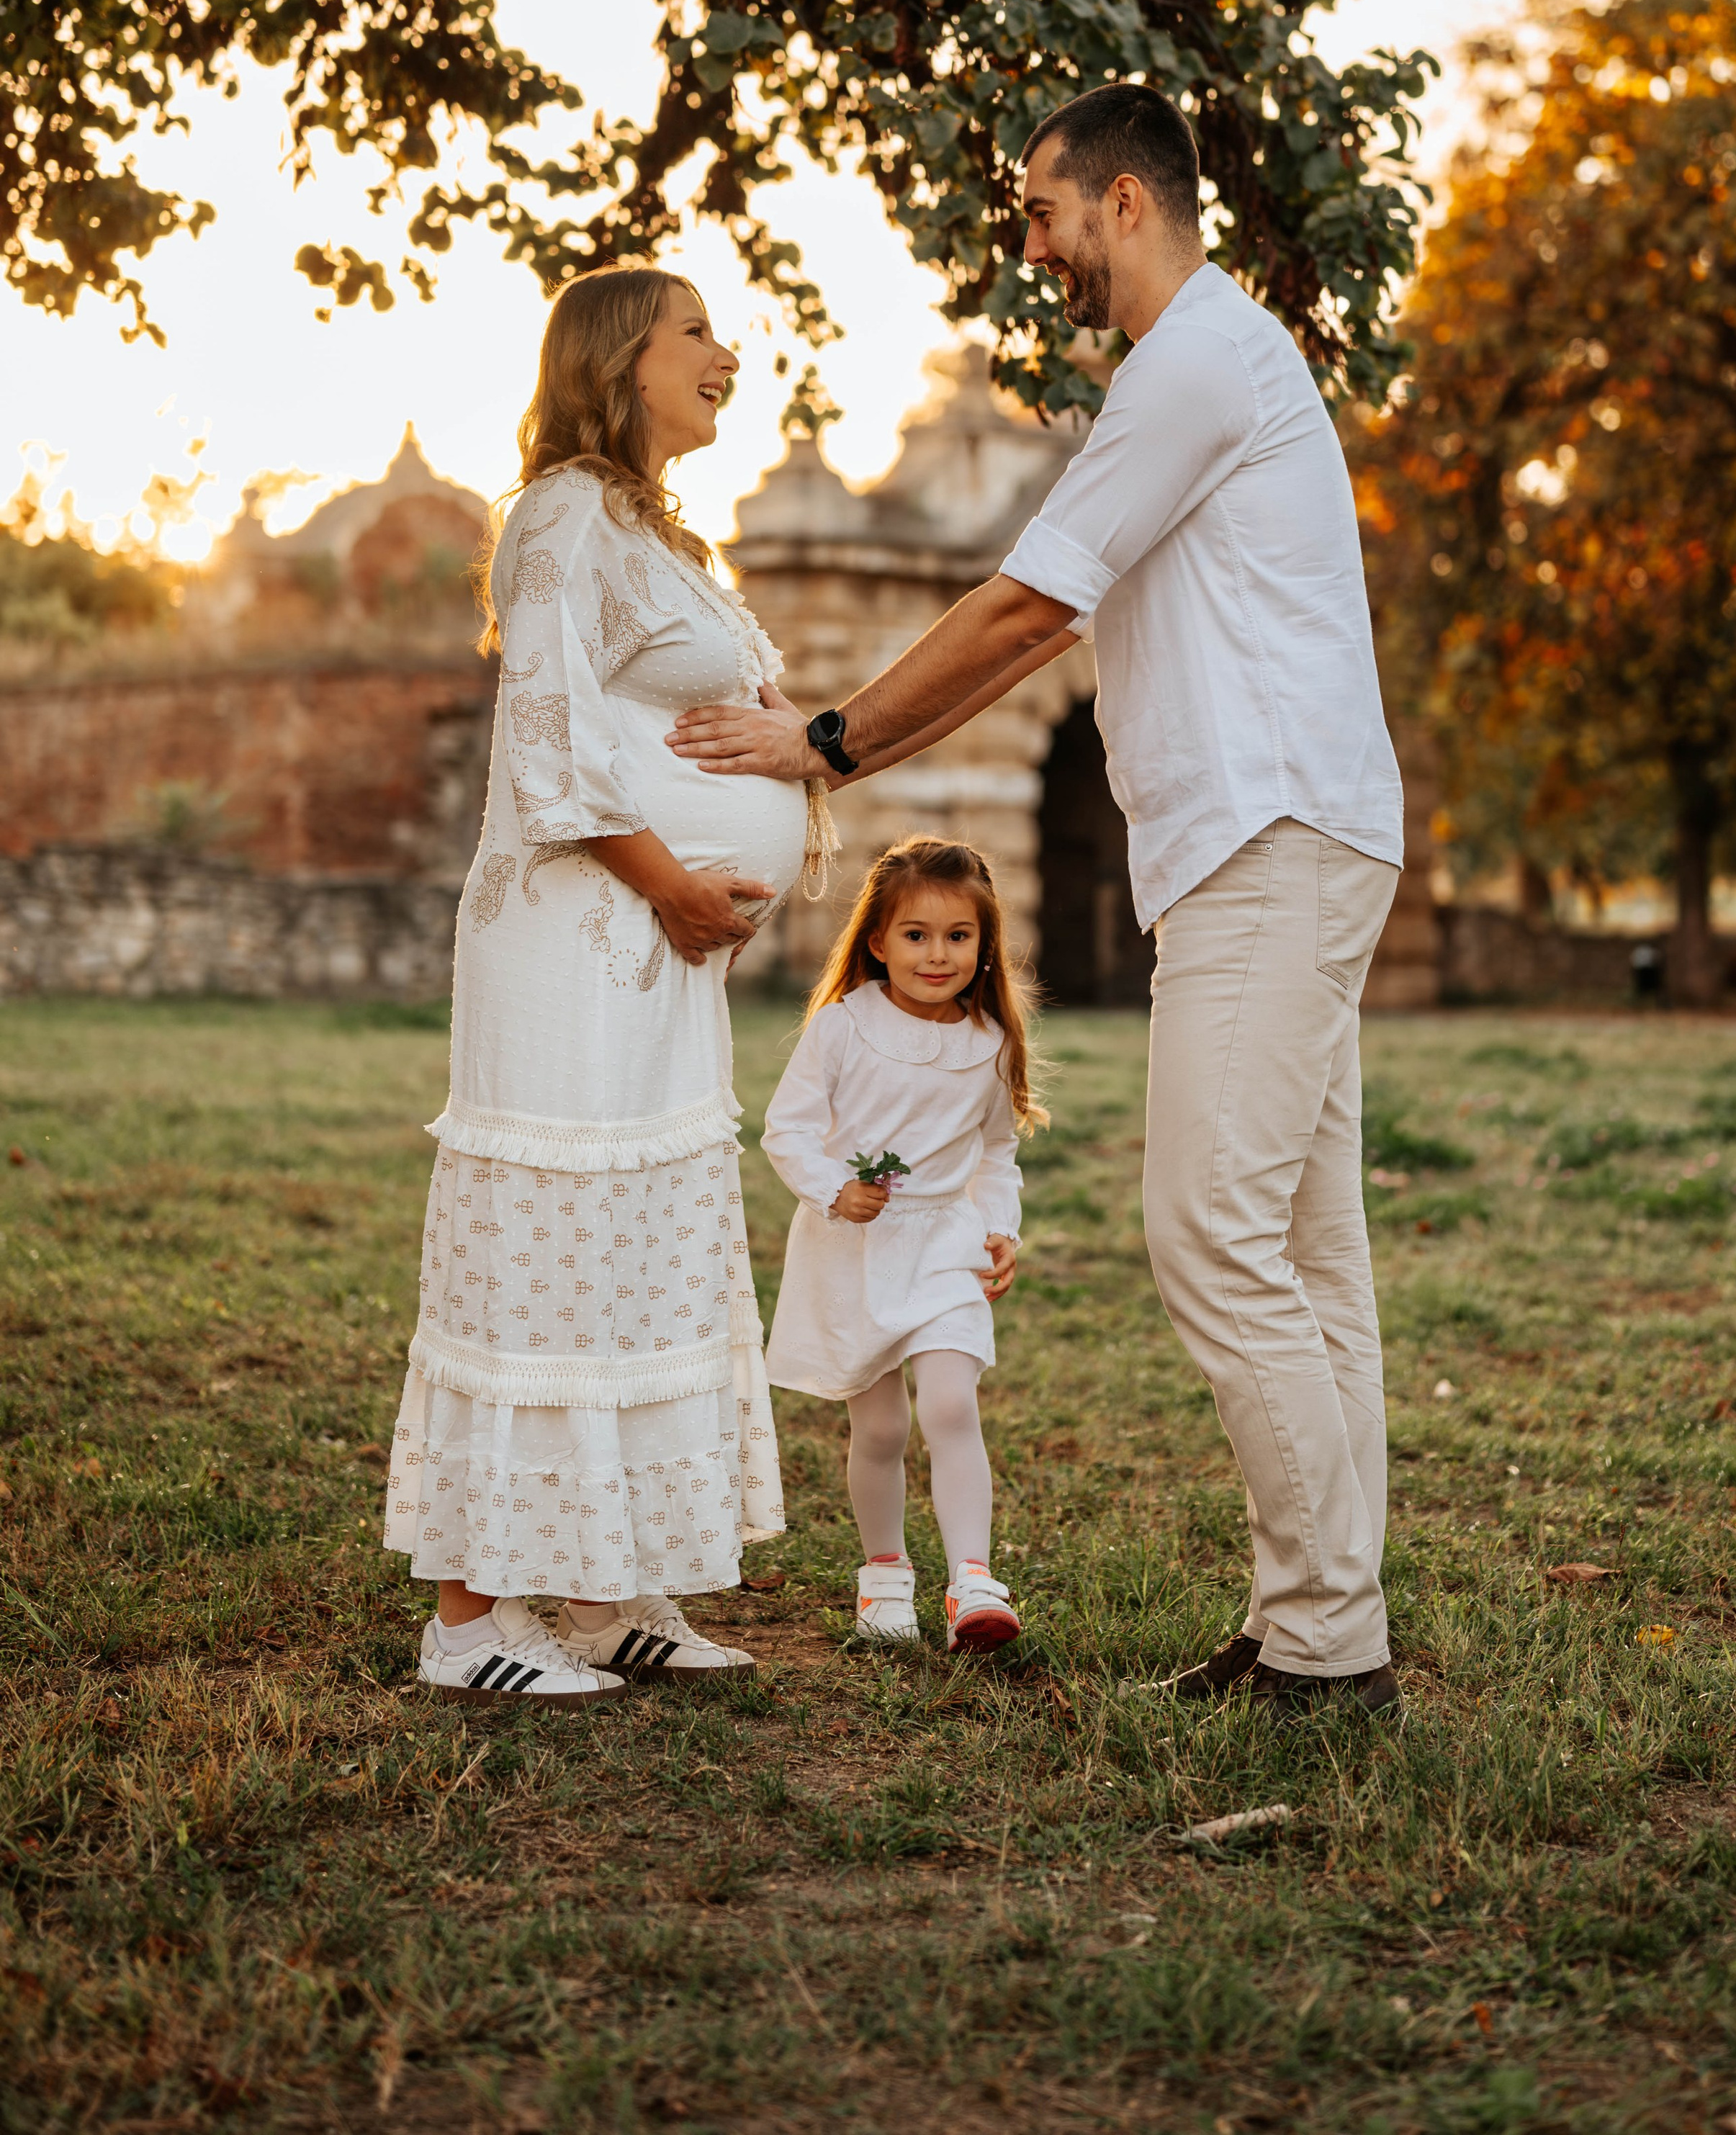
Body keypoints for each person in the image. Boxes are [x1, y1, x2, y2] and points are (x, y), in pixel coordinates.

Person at [667, 84, 1406, 1721]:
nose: (1033, 247)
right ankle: (1314, 1621)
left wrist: (827, 741)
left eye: (1042, 212)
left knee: (1212, 1236)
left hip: (1269, 840)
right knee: (1303, 1256)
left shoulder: (1192, 363)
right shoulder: (1215, 364)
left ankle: (1328, 1644)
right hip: (1289, 836)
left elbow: (1022, 611)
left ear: (1125, 201)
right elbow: (1049, 616)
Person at [384, 264, 819, 1704]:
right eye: (696, 331)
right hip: (575, 940)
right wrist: (676, 882)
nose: (725, 352)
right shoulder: (564, 515)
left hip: (658, 946)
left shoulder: (657, 531)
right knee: (552, 1242)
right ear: (620, 359)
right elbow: (547, 745)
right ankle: (468, 1622)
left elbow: (736, 719)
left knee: (637, 1247)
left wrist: (748, 843)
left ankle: (604, 1593)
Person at [761, 837, 1035, 1653]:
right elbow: (788, 1129)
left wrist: (1001, 1226)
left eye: (958, 936)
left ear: (984, 944)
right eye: (916, 935)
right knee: (881, 1430)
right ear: (878, 942)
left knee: (951, 1406)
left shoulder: (990, 1040)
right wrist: (832, 1189)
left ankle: (973, 1581)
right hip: (856, 1248)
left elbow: (996, 1150)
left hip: (945, 1243)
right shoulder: (844, 1027)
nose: (937, 954)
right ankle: (884, 1573)